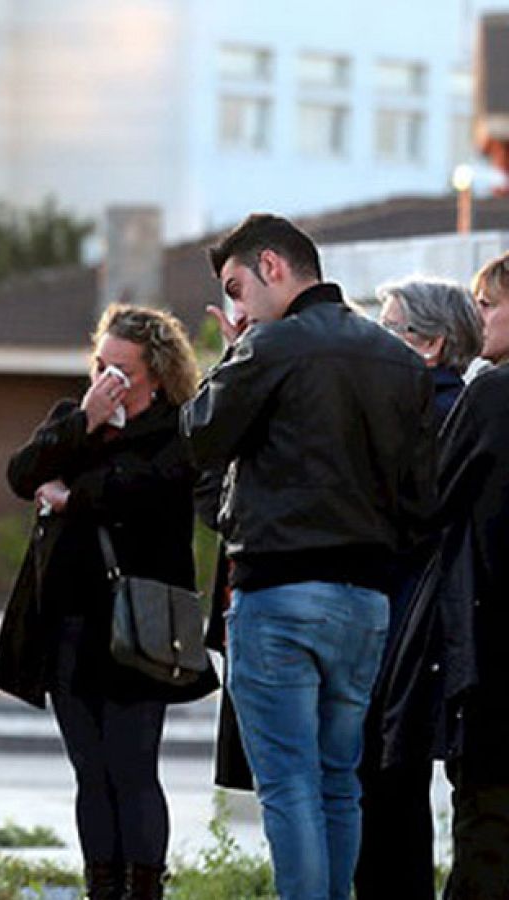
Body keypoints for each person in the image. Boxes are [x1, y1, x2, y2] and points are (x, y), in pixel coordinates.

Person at [182, 213, 434, 900]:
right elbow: (421, 497)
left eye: (237, 287)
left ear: (272, 266)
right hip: (367, 600)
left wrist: (236, 353)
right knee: (336, 781)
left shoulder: (271, 348)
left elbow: (199, 437)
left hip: (278, 591)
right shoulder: (400, 361)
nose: (237, 308)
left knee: (288, 784)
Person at [0, 305, 215, 900]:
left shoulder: (178, 429)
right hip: (67, 621)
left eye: (121, 371)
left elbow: (149, 494)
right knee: (90, 771)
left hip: (138, 622)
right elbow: (21, 473)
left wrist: (71, 497)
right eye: (99, 366)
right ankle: (102, 887)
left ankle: (144, 887)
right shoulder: (75, 418)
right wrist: (82, 424)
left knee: (133, 768)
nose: (105, 380)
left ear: (157, 376)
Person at [377, 252, 509, 898]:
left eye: (490, 303)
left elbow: (433, 501)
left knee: (485, 837)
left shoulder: (491, 393)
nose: (479, 315)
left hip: (487, 655)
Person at [355, 276, 481, 899]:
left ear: (429, 345)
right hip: (419, 623)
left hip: (401, 623)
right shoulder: (454, 407)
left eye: (388, 328)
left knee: (383, 794)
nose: (375, 341)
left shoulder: (423, 417)